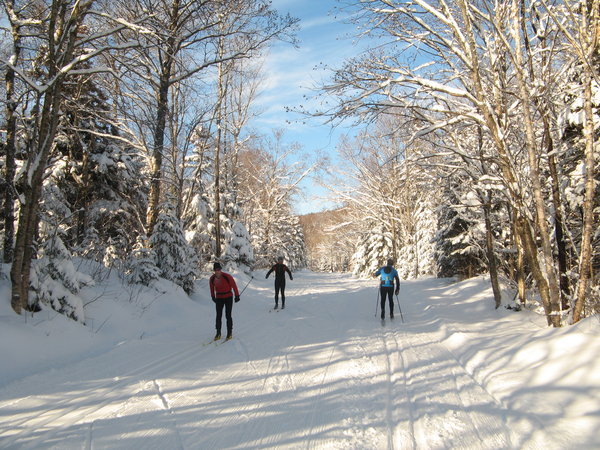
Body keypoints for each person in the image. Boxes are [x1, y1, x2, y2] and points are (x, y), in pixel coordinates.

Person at [209, 262, 240, 340]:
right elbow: (212, 288)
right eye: (216, 270)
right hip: (219, 298)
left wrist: (237, 296)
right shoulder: (212, 278)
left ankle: (229, 333)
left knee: (228, 315)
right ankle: (218, 333)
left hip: (228, 297)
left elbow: (234, 285)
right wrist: (213, 296)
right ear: (214, 271)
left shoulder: (227, 276)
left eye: (219, 269)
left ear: (220, 269)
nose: (218, 271)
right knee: (218, 316)